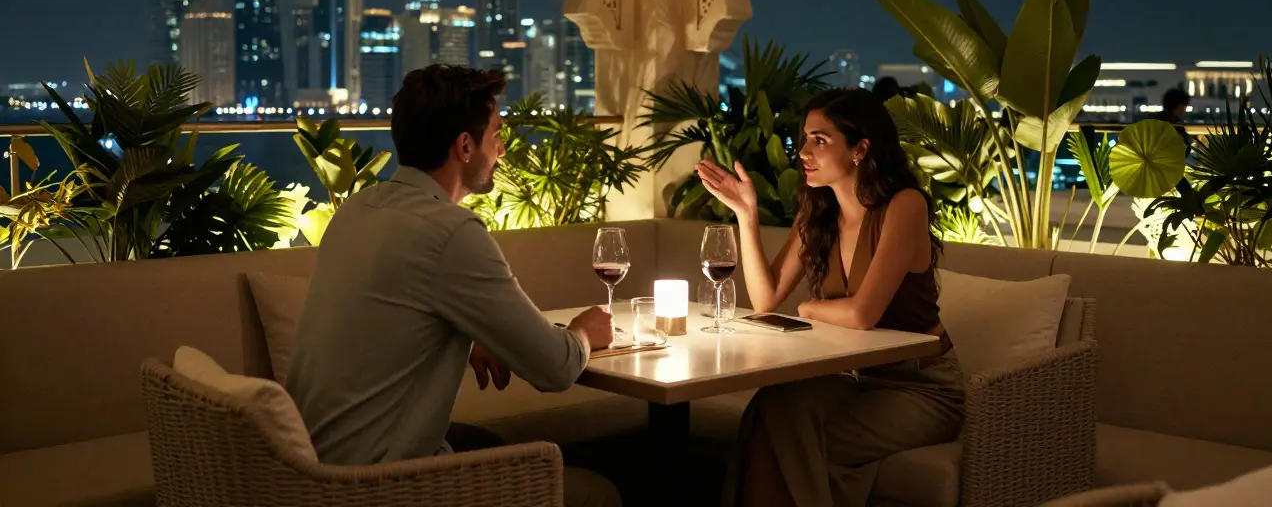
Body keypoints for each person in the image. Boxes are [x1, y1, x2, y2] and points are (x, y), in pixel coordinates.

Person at [286, 64, 621, 507]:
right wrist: (584, 332)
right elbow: (555, 369)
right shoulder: (451, 231)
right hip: (381, 485)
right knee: (596, 494)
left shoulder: (358, 209)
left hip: (314, 471)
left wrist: (467, 338)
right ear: (465, 145)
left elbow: (386, 324)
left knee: (483, 439)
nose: (501, 149)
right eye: (496, 134)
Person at [697, 88, 964, 507]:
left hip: (923, 387)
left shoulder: (904, 206)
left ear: (860, 149)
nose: (804, 151)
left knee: (782, 441)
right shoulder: (819, 214)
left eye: (820, 140)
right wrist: (745, 214)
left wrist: (807, 309)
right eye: (804, 139)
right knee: (772, 406)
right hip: (858, 379)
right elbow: (765, 299)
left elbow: (862, 314)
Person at [1155, 87, 1192, 154]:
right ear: (1179, 106)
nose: (1184, 110)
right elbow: (1185, 148)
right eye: (1184, 106)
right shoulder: (1176, 124)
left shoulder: (1155, 121)